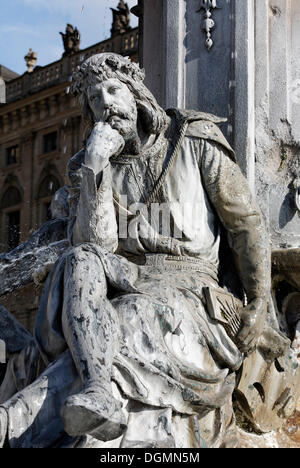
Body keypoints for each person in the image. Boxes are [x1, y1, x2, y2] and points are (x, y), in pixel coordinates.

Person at [0, 53, 270, 448]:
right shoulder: (92, 164)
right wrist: (95, 164)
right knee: (79, 259)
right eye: (94, 98)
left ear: (136, 93)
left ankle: (13, 422)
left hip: (190, 289)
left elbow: (245, 222)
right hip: (126, 278)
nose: (105, 103)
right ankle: (96, 390)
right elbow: (96, 245)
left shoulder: (192, 139)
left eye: (113, 90)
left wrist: (260, 299)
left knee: (123, 319)